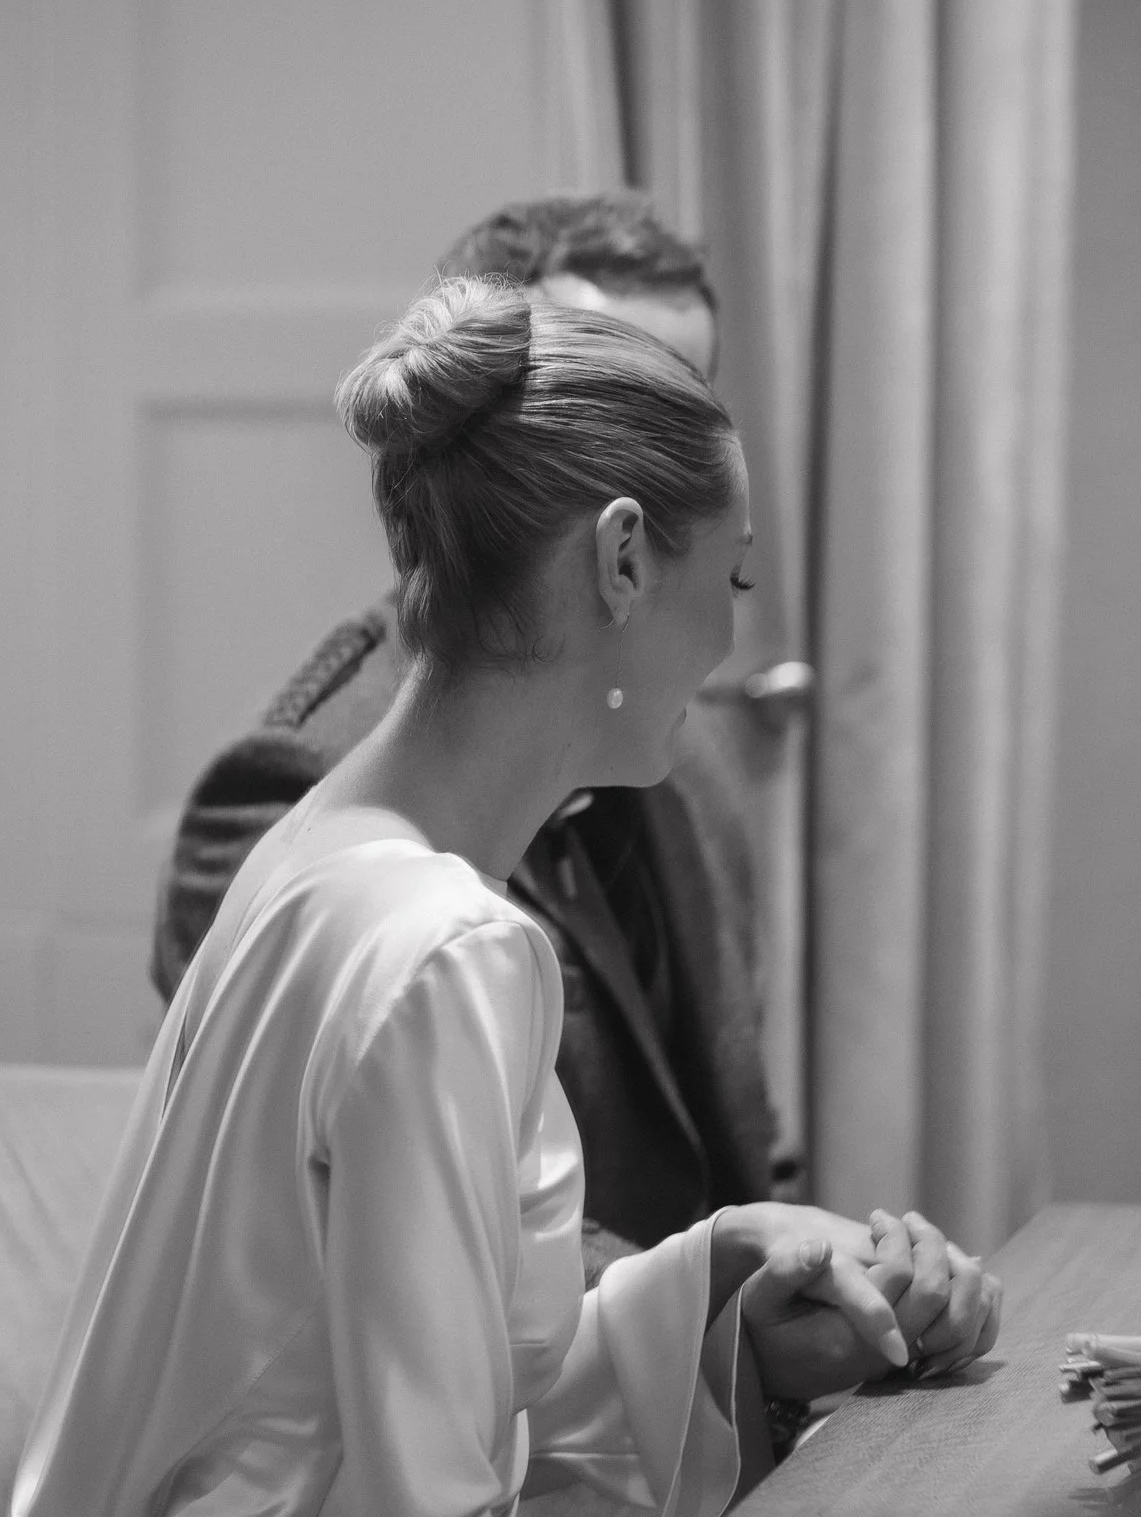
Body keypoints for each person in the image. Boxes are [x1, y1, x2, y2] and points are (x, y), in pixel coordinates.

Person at [15, 280, 1001, 1517]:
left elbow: (424, 1386)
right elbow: (424, 1496)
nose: (724, 648)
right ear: (625, 556)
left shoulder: (325, 851)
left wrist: (717, 1279)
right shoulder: (447, 948)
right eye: (735, 581)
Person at [152, 195, 778, 1288]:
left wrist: (827, 1271)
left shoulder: (695, 757)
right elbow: (425, 1278)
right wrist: (730, 1305)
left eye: (680, 397)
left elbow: (738, 1145)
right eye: (600, 388)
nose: (647, 437)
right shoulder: (297, 806)